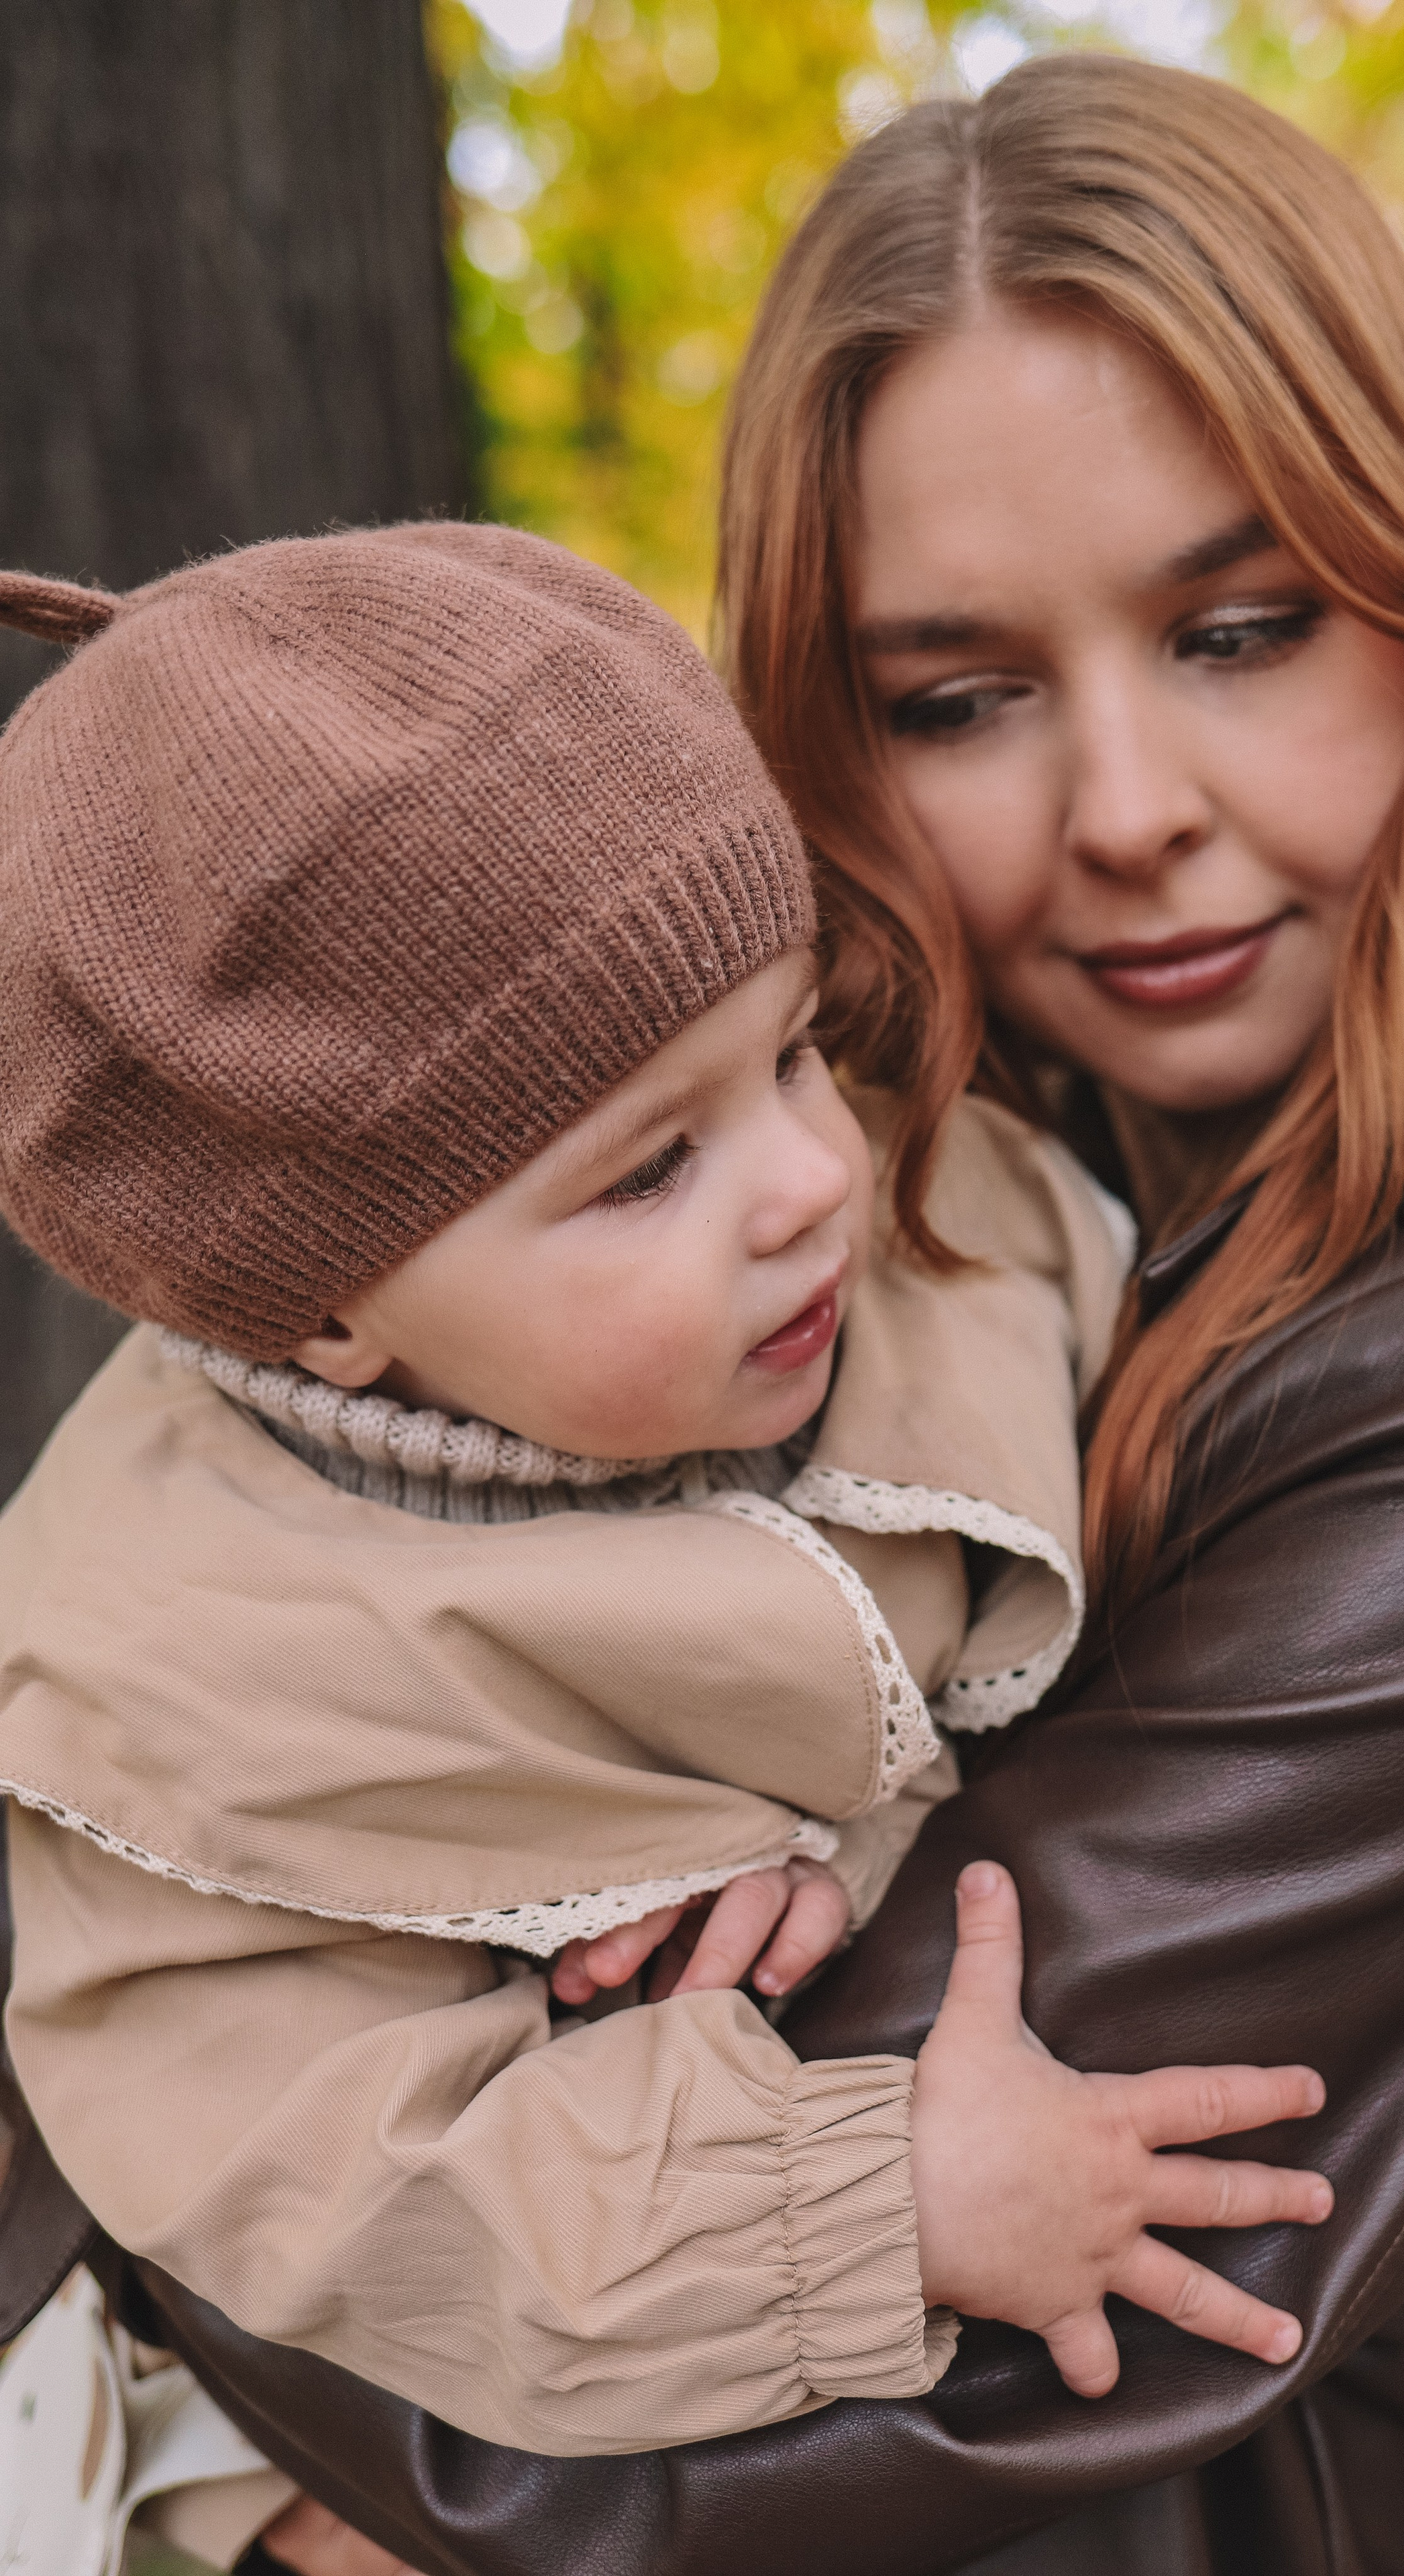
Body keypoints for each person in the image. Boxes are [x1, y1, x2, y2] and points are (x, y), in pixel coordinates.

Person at [74, 48, 1404, 2576]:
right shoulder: (866, 1244)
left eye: (1240, 627)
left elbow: (785, 2350)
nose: (1131, 801)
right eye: (960, 694)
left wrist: (159, 2191)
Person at [0, 522, 1334, 2547]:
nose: (812, 1174)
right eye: (649, 1170)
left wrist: (859, 1845)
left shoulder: (925, 1249)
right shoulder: (188, 1683)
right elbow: (348, 2185)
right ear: (330, 1310)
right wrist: (875, 2190)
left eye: (792, 1045)